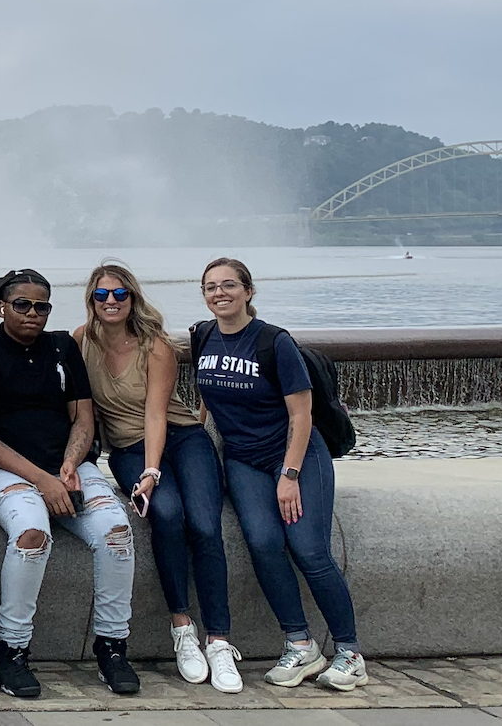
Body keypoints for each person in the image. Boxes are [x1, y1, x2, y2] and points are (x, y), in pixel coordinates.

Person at [0, 269, 140, 699]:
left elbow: (83, 416)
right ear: (1, 307)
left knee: (116, 532)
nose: (33, 314)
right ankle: (12, 650)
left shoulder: (63, 347)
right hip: (3, 470)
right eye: (22, 304)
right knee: (32, 535)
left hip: (69, 466)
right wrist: (43, 481)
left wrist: (71, 465)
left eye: (42, 306)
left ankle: (112, 647)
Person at [193, 257, 366, 692]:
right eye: (211, 287)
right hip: (243, 460)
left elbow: (301, 414)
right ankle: (301, 645)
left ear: (248, 291)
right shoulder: (204, 336)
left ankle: (349, 653)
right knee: (264, 545)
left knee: (309, 549)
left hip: (296, 455)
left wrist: (289, 474)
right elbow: (208, 401)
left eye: (229, 285)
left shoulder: (273, 342)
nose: (219, 293)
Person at [74, 262, 240, 693]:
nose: (111, 301)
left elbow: (155, 415)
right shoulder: (80, 342)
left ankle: (219, 641)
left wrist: (152, 471)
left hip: (182, 441)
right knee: (166, 515)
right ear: (91, 300)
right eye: (102, 295)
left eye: (120, 294)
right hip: (126, 450)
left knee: (204, 526)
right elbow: (78, 410)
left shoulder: (155, 346)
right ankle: (182, 627)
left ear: (133, 298)